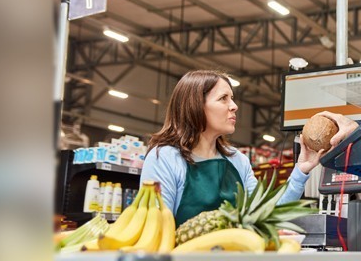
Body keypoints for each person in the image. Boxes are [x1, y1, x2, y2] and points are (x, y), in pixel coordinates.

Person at [140, 70, 326, 227]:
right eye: (223, 99)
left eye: (232, 98)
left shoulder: (237, 160)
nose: (235, 106)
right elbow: (155, 229)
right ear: (195, 105)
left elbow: (265, 216)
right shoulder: (165, 157)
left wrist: (300, 171)